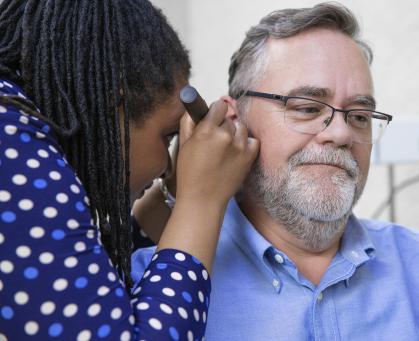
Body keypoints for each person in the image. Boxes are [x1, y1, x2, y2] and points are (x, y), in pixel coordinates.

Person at [132, 2, 419, 340]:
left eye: (360, 116)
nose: (343, 133)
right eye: (307, 108)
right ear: (234, 120)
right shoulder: (154, 291)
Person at [0, 0, 258, 340]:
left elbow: (79, 270)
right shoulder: (11, 145)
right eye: (168, 137)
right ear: (112, 105)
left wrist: (178, 193)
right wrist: (202, 201)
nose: (169, 163)